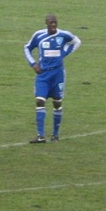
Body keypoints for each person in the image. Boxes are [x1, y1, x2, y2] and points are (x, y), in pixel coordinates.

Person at [24, 13, 81, 143]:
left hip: (58, 74)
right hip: (43, 75)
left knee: (57, 103)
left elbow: (77, 41)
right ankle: (40, 136)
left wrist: (65, 52)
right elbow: (27, 48)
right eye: (51, 23)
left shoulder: (63, 35)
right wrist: (33, 64)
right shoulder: (39, 36)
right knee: (39, 101)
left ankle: (55, 135)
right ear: (46, 24)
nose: (53, 25)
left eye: (55, 22)